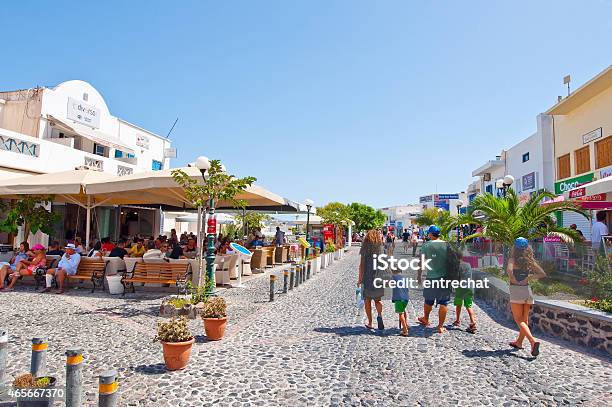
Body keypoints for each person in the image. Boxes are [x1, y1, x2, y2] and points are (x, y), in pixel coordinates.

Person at [507, 237, 546, 357]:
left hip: (516, 290)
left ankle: (532, 342)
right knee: (525, 320)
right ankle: (519, 342)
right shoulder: (530, 261)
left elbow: (509, 271)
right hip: (527, 291)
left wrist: (514, 279)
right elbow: (542, 274)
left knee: (519, 320)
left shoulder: (512, 259)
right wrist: (527, 278)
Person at [417, 225, 451, 334]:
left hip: (431, 277)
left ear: (431, 234)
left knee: (428, 300)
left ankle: (426, 318)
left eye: (428, 233)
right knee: (444, 302)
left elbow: (421, 262)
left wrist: (419, 275)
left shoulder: (426, 246)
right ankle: (440, 326)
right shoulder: (446, 245)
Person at [357, 229, 385, 330]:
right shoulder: (381, 247)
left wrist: (359, 279)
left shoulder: (365, 248)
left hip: (367, 277)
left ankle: (370, 322)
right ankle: (380, 315)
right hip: (378, 276)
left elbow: (362, 265)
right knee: (378, 300)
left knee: (367, 300)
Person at [452, 256, 477, 334]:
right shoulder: (468, 264)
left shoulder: (457, 267)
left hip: (461, 288)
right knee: (469, 306)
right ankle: (473, 323)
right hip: (469, 287)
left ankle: (457, 320)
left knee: (458, 304)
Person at [392, 267, 409, 337]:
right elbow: (407, 289)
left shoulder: (393, 278)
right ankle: (406, 325)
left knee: (400, 314)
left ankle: (405, 330)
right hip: (406, 298)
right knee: (404, 311)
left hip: (398, 299)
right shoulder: (404, 278)